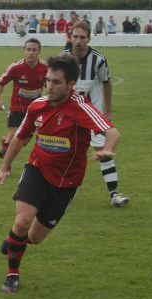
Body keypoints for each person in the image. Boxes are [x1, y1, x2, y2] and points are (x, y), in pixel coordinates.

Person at [0, 55, 121, 294]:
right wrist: (3, 167)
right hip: (37, 169)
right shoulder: (38, 105)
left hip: (67, 182)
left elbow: (111, 132)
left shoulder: (81, 108)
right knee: (21, 222)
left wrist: (108, 149)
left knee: (35, 237)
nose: (50, 86)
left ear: (71, 85)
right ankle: (12, 275)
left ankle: (15, 242)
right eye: (48, 80)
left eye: (56, 82)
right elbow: (20, 139)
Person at [60, 21, 129, 207]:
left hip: (93, 114)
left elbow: (106, 83)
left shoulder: (98, 59)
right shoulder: (64, 59)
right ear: (70, 37)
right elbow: (56, 85)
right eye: (75, 37)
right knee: (64, 153)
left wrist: (107, 111)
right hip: (70, 115)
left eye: (83, 37)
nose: (78, 41)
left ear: (89, 38)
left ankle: (114, 194)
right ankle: (60, 194)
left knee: (103, 151)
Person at [0, 38, 47, 161]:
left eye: (34, 50)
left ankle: (6, 143)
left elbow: (51, 83)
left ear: (39, 52)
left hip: (35, 110)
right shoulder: (16, 67)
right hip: (17, 108)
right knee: (15, 134)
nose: (31, 53)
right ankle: (6, 164)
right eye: (28, 50)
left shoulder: (45, 68)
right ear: (24, 51)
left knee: (23, 141)